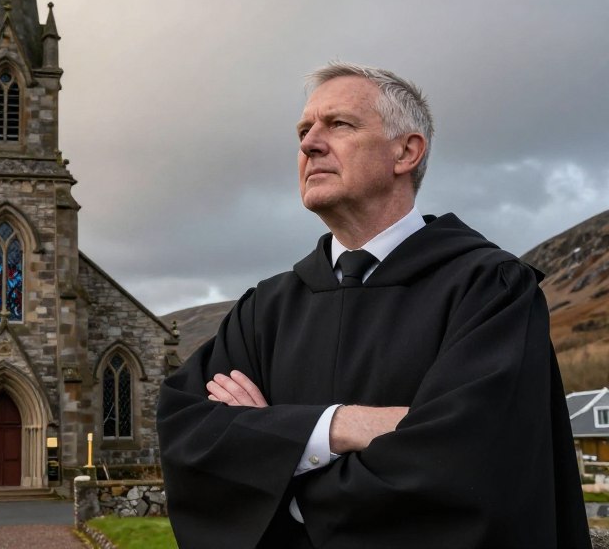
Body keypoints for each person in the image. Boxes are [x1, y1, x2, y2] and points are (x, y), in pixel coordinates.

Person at [156, 62, 590, 549]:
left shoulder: (490, 290)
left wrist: (281, 474)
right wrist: (340, 426)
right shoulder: (266, 309)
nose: (309, 144)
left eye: (338, 124)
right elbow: (190, 434)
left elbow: (466, 459)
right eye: (304, 130)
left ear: (406, 151)